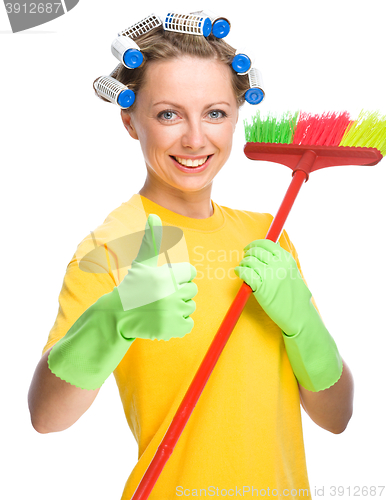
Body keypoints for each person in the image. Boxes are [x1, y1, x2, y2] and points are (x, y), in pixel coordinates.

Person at [28, 13, 354, 500]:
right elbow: (46, 418)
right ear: (129, 120)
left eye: (216, 113)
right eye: (168, 114)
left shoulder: (268, 236)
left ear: (237, 115)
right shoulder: (116, 244)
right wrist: (113, 320)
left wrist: (302, 324)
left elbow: (336, 417)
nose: (196, 139)